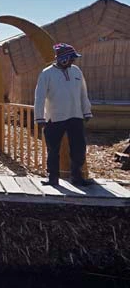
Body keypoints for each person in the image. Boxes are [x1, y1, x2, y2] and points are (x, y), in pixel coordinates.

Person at [33, 43, 94, 186]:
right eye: (71, 58)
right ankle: (52, 177)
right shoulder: (46, 73)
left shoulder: (76, 71)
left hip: (76, 115)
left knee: (79, 148)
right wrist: (39, 117)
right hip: (54, 118)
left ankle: (77, 177)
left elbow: (83, 93)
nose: (73, 61)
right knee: (53, 150)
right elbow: (40, 97)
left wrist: (87, 110)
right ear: (63, 59)